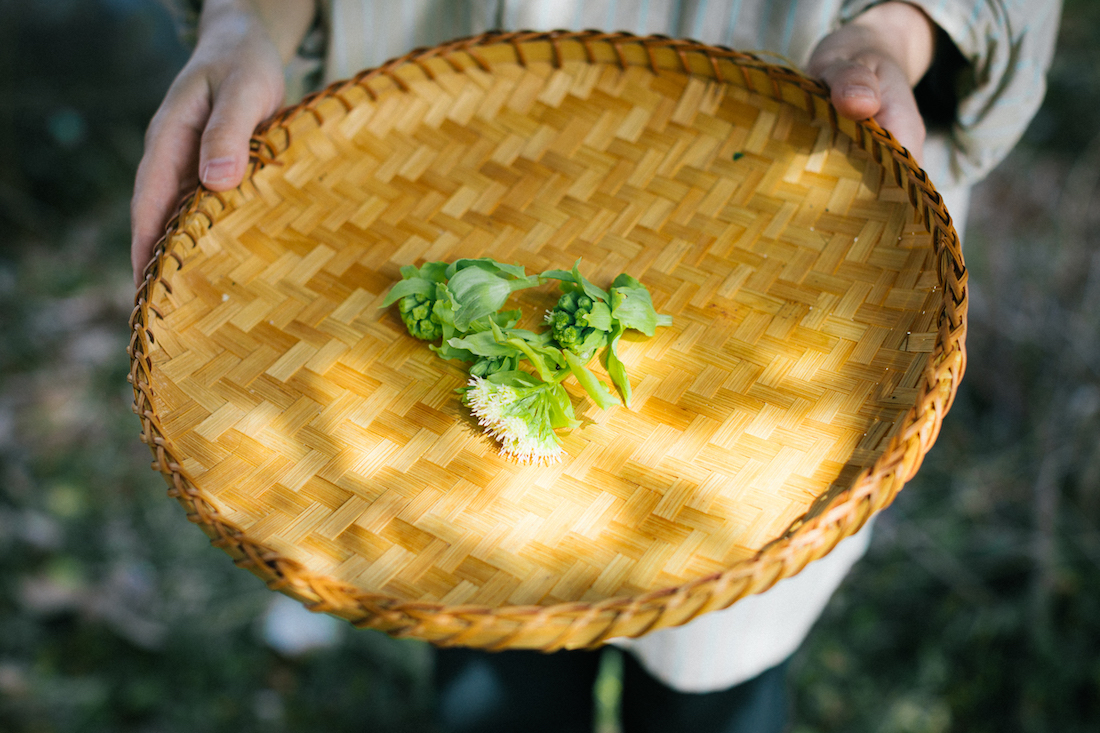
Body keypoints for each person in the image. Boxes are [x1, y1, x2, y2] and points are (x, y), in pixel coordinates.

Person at [131, 2, 1061, 731]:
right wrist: (247, 20)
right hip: (431, 118)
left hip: (787, 130)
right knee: (479, 612)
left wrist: (895, 32)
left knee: (722, 661)